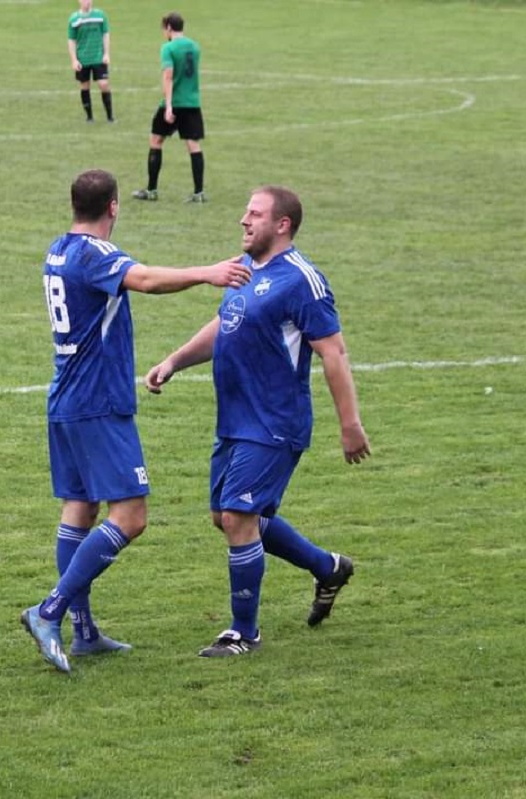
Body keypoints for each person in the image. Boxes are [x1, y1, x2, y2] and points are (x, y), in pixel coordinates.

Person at [21, 169, 251, 673]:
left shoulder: (56, 249)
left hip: (65, 398)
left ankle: (83, 633)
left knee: (78, 510)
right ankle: (49, 611)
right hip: (99, 402)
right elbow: (143, 280)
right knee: (131, 517)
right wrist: (207, 272)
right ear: (114, 207)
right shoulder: (93, 254)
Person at [144, 186, 371, 658]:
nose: (243, 221)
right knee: (224, 518)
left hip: (275, 421)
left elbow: (334, 352)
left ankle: (243, 632)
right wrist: (175, 360)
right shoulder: (243, 271)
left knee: (239, 517)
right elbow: (225, 323)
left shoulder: (303, 281)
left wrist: (350, 424)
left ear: (281, 224)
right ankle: (327, 567)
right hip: (235, 419)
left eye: (254, 214)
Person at [131, 12, 206, 203]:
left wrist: (169, 106)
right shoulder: (194, 47)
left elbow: (168, 77)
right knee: (194, 145)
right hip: (192, 103)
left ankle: (151, 190)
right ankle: (199, 192)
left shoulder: (168, 48)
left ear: (169, 28)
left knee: (156, 140)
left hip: (174, 103)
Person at [67, 0, 113, 124]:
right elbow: (71, 40)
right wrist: (74, 60)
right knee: (84, 86)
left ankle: (110, 117)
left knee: (103, 84)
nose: (86, 1)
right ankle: (89, 117)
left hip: (99, 57)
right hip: (83, 59)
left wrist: (106, 53)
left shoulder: (100, 16)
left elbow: (105, 34)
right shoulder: (74, 19)